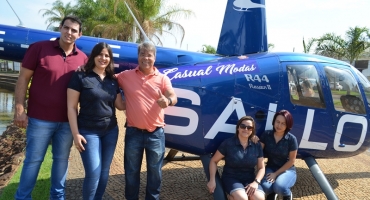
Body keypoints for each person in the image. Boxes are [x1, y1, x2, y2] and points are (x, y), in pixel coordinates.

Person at [13, 16, 87, 199]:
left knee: (62, 162)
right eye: (66, 28)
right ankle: (22, 198)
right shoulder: (39, 48)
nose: (69, 33)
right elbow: (23, 79)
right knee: (33, 161)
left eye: (74, 30)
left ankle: (57, 198)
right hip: (39, 119)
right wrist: (20, 110)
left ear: (80, 34)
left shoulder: (83, 59)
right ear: (60, 28)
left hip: (67, 122)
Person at [115, 41, 178, 200]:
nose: (146, 58)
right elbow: (106, 77)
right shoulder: (125, 76)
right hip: (133, 133)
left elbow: (173, 96)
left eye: (149, 55)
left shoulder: (163, 79)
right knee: (131, 173)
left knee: (155, 174)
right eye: (142, 54)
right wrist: (85, 69)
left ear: (154, 58)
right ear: (138, 57)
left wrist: (168, 101)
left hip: (156, 134)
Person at [67, 42, 125, 200]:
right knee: (93, 172)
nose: (103, 58)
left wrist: (142, 97)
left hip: (110, 131)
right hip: (88, 131)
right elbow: (71, 107)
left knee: (104, 171)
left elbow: (120, 105)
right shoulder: (80, 76)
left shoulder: (113, 80)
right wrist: (75, 133)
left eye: (107, 55)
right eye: (100, 54)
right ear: (93, 56)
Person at [207, 116, 265, 200]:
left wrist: (256, 182)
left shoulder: (256, 145)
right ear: (238, 127)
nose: (246, 129)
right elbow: (213, 161)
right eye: (243, 126)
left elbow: (261, 167)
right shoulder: (228, 143)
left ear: (252, 130)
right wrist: (212, 180)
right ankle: (230, 197)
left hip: (250, 179)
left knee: (259, 198)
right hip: (231, 178)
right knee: (242, 198)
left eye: (249, 127)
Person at [260, 110, 298, 200]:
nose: (279, 126)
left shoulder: (291, 139)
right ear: (274, 122)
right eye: (277, 122)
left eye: (283, 123)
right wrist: (254, 139)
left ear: (287, 125)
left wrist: (275, 174)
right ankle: (272, 194)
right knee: (265, 187)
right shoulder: (266, 134)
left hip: (287, 169)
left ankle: (287, 195)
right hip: (271, 167)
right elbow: (258, 152)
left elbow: (292, 160)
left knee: (280, 187)